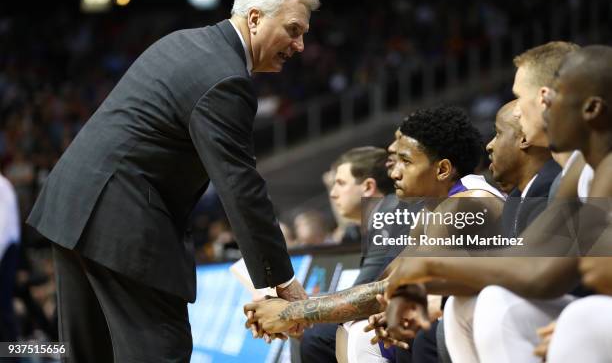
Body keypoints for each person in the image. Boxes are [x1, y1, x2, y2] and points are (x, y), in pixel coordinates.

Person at [26, 0, 319, 363]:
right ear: (254, 18)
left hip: (73, 210)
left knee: (89, 354)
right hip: (122, 224)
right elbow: (241, 188)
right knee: (159, 352)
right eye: (293, 30)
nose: (300, 45)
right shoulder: (226, 79)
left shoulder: (184, 42)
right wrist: (282, 281)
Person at [382, 45, 612, 363]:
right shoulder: (578, 171)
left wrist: (428, 266)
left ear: (592, 110)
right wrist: (417, 282)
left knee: (581, 319)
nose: (530, 108)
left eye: (553, 96)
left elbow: (578, 273)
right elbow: (529, 261)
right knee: (477, 303)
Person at [244, 106, 505, 362]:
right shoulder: (430, 213)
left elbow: (383, 292)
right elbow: (382, 288)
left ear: (442, 170)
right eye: (394, 160)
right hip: (460, 325)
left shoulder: (472, 203)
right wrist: (289, 308)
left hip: (498, 332)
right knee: (354, 331)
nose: (393, 172)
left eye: (405, 161)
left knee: (364, 332)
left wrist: (292, 312)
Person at [300, 146, 394, 363]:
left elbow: (359, 300)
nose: (333, 193)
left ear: (368, 186)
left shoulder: (389, 220)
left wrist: (290, 311)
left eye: (340, 184)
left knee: (318, 337)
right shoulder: (375, 222)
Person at [486, 100, 560, 237]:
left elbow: (530, 257)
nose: (489, 146)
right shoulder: (514, 199)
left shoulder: (553, 188)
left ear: (525, 138)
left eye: (498, 133)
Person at [0, 171, 20, 345]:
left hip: (6, 252)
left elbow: (3, 228)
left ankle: (11, 355)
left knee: (4, 307)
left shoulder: (2, 186)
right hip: (6, 250)